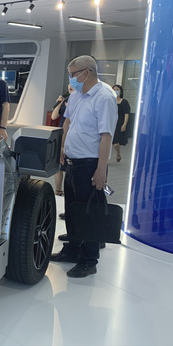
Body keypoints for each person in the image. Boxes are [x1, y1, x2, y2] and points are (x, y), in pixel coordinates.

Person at [50, 55, 117, 278]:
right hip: (72, 162)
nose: (70, 78)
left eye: (73, 74)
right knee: (72, 209)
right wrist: (63, 147)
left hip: (90, 164)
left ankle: (89, 260)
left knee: (89, 212)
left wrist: (101, 169)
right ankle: (72, 249)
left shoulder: (104, 97)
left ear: (86, 73)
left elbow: (106, 136)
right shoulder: (76, 95)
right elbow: (67, 121)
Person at [52, 84, 75, 197]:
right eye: (69, 83)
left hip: (71, 135)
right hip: (61, 132)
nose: (71, 86)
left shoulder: (79, 100)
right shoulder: (65, 100)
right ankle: (58, 190)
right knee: (58, 164)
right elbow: (53, 116)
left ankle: (68, 191)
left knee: (69, 165)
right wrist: (59, 103)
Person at [111, 84, 131, 163]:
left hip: (119, 124)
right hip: (111, 123)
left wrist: (124, 124)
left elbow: (126, 114)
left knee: (116, 143)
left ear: (121, 92)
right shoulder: (110, 101)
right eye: (114, 89)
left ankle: (118, 154)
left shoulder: (124, 102)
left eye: (117, 90)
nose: (115, 91)